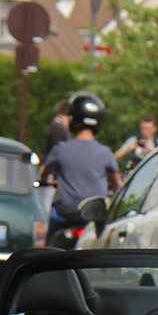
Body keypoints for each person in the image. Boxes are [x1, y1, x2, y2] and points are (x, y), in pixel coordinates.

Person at [41, 92, 120, 239]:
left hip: (66, 216)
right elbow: (117, 185)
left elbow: (44, 173)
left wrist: (46, 180)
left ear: (73, 118)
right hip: (93, 219)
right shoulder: (105, 152)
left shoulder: (61, 149)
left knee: (50, 243)